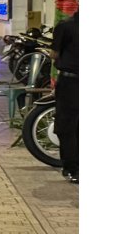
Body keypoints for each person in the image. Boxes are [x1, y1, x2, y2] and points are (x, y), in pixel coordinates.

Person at [51, 10, 78, 183]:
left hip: (71, 82)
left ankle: (73, 169)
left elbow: (55, 53)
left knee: (67, 125)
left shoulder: (65, 26)